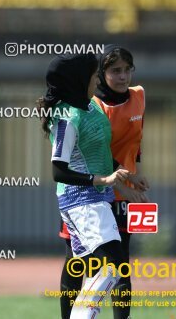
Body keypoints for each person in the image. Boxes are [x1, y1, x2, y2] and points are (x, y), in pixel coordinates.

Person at [57, 45, 148, 319]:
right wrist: (124, 179)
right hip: (88, 192)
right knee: (77, 263)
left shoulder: (140, 96)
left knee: (121, 263)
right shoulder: (91, 107)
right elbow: (98, 152)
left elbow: (134, 142)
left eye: (127, 70)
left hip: (124, 193)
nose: (123, 77)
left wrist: (134, 174)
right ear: (101, 74)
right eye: (115, 71)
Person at [37, 53, 129, 319]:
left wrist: (123, 174)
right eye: (92, 76)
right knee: (113, 267)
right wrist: (101, 180)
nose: (97, 80)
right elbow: (58, 170)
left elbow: (97, 149)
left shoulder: (91, 106)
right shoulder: (67, 117)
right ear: (78, 80)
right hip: (81, 202)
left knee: (97, 270)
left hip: (99, 199)